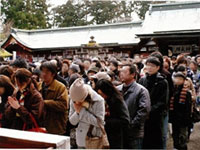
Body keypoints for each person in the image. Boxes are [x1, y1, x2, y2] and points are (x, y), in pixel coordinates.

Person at [118, 64, 151, 149]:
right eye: (120, 72)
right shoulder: (117, 89)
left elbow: (144, 111)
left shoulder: (141, 90)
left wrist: (131, 125)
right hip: (120, 131)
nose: (121, 74)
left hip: (134, 132)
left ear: (133, 74)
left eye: (124, 72)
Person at [139, 57, 169, 149]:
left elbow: (163, 101)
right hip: (143, 114)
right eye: (148, 65)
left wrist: (150, 110)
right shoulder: (142, 80)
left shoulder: (162, 81)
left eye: (152, 66)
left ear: (158, 67)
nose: (149, 68)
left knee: (155, 139)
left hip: (155, 115)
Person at [69, 78, 105, 149]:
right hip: (80, 139)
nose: (77, 103)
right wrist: (77, 112)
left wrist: (81, 111)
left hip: (94, 139)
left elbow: (100, 122)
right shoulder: (74, 98)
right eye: (75, 101)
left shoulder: (98, 100)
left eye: (79, 101)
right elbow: (72, 122)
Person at [95, 79, 130, 149]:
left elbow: (125, 120)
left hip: (115, 137)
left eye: (102, 94)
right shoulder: (100, 101)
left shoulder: (117, 101)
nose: (100, 96)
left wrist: (105, 122)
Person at [38, 61, 68, 135]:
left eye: (47, 72)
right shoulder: (38, 86)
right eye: (42, 71)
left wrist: (44, 102)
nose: (44, 74)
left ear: (53, 74)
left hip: (55, 126)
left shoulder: (60, 87)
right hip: (41, 125)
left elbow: (63, 105)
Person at [169, 72, 192, 150]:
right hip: (174, 117)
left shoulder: (186, 93)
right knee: (175, 135)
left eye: (180, 79)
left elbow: (188, 108)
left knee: (182, 136)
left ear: (184, 80)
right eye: (176, 78)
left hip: (183, 118)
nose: (178, 80)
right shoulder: (173, 91)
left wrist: (186, 118)